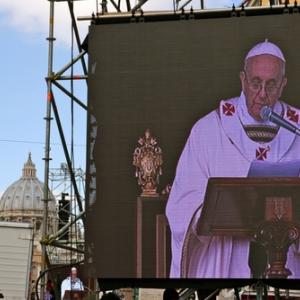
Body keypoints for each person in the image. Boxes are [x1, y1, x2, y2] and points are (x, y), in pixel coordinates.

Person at [166, 39, 300, 278]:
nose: (262, 94)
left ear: (283, 86)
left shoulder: (296, 129)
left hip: (286, 261)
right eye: (256, 83)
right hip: (225, 264)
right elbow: (182, 201)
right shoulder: (209, 130)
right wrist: (212, 212)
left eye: (271, 85)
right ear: (243, 80)